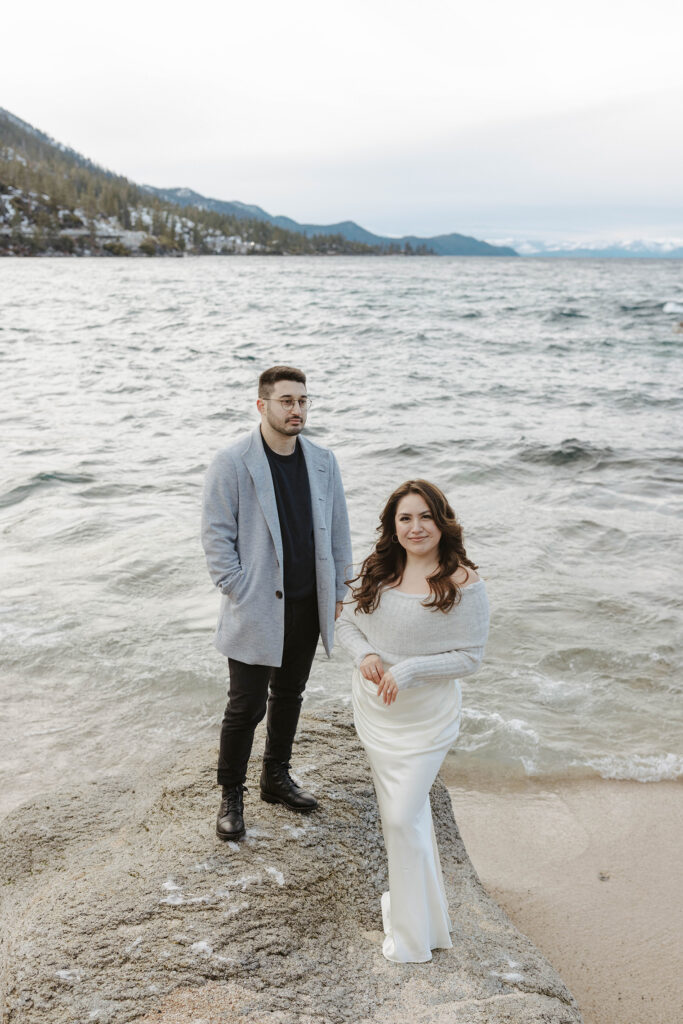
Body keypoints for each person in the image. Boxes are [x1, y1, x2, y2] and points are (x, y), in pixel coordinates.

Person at [336, 480, 489, 963]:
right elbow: (345, 621)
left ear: (442, 522)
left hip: (425, 718)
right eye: (405, 518)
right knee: (408, 820)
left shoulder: (462, 581)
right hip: (378, 711)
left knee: (402, 817)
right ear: (392, 526)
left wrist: (410, 669)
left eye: (425, 516)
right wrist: (366, 656)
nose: (416, 527)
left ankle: (409, 937)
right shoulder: (380, 571)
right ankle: (427, 926)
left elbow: (470, 657)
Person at [202, 365, 352, 841]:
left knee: (289, 694)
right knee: (245, 706)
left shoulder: (323, 460)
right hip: (257, 604)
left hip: (309, 601)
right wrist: (237, 586)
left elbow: (339, 530)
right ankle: (231, 795)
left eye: (303, 401)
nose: (297, 410)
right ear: (262, 405)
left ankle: (275, 777)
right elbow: (216, 535)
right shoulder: (232, 461)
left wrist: (340, 590)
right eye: (287, 401)